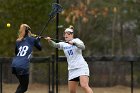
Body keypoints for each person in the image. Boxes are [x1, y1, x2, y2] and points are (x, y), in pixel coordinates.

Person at [45, 25, 93, 93]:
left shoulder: (77, 40)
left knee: (84, 85)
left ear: (72, 35)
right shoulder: (63, 44)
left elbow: (83, 47)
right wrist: (50, 41)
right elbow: (55, 45)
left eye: (68, 33)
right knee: (72, 91)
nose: (66, 35)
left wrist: (74, 43)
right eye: (65, 33)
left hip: (81, 67)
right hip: (72, 69)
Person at [11, 24, 42, 93]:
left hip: (14, 64)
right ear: (28, 31)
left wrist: (36, 40)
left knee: (22, 85)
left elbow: (16, 52)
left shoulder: (18, 41)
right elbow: (40, 48)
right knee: (24, 88)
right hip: (22, 66)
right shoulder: (32, 39)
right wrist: (38, 40)